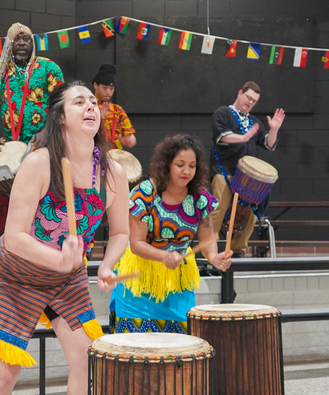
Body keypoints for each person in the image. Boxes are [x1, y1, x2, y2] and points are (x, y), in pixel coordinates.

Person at [0, 82, 130, 395]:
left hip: (65, 278)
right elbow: (13, 235)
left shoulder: (111, 172)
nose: (91, 107)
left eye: (93, 102)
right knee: (6, 371)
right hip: (14, 275)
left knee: (84, 358)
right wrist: (59, 258)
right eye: (79, 101)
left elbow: (120, 234)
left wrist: (108, 266)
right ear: (61, 117)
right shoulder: (40, 161)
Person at [109, 134, 231, 333]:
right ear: (166, 164)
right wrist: (164, 255)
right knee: (136, 349)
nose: (187, 171)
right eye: (180, 164)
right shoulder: (145, 193)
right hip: (140, 279)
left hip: (177, 280)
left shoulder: (199, 197)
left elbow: (207, 237)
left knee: (179, 345)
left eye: (192, 166)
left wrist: (214, 257)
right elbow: (137, 242)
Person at [0, 23, 64, 236]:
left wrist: (46, 132)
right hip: (11, 150)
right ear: (9, 44)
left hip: (44, 147)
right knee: (8, 208)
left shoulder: (48, 67)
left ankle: (46, 252)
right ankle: (9, 255)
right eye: (17, 39)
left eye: (26, 38)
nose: (22, 43)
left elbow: (61, 106)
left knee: (46, 205)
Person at [209, 81, 285, 254]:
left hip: (247, 179)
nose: (250, 102)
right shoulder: (223, 113)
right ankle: (211, 248)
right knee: (220, 206)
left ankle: (238, 250)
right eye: (248, 97)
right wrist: (243, 138)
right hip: (224, 171)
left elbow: (269, 144)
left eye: (254, 101)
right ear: (240, 93)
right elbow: (223, 137)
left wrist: (274, 129)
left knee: (252, 213)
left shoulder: (254, 122)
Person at [92, 63, 136, 149]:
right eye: (104, 88)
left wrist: (129, 140)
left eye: (111, 88)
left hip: (114, 156)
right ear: (95, 85)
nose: (108, 92)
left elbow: (132, 141)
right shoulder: (88, 107)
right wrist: (98, 118)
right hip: (93, 155)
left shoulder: (117, 110)